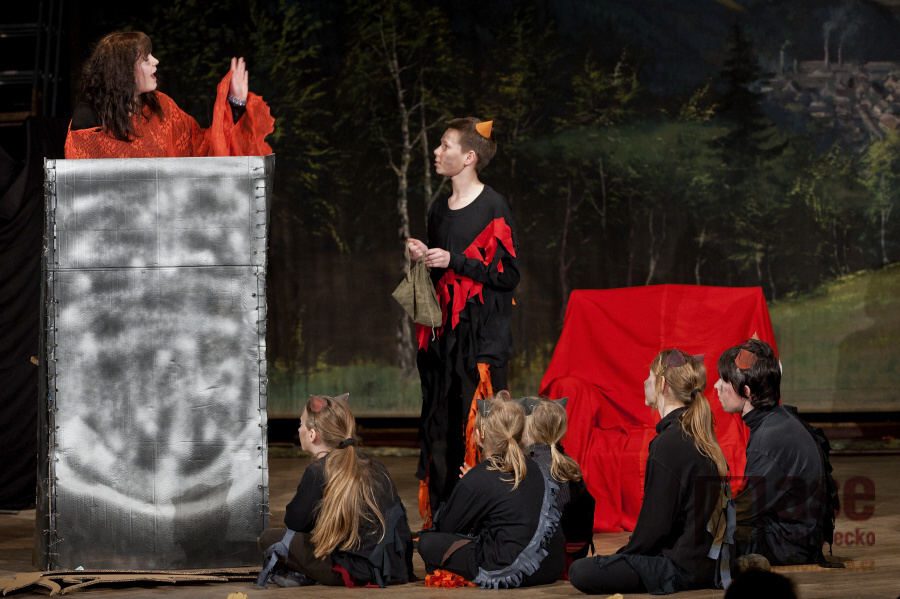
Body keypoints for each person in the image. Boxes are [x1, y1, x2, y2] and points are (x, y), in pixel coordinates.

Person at [406, 117, 519, 523]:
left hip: (480, 341)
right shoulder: (439, 208)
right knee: (441, 424)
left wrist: (455, 260)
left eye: (445, 145)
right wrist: (425, 256)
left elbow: (507, 275)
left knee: (479, 426)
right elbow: (441, 277)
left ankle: (483, 519)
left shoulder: (493, 207)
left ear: (469, 157)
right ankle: (444, 518)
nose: (437, 152)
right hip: (445, 340)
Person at [568, 349, 732, 595]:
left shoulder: (670, 443)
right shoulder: (697, 434)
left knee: (581, 571)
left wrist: (623, 559)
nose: (645, 382)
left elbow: (654, 530)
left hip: (684, 567)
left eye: (649, 376)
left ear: (662, 384)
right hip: (710, 561)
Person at [256, 394, 414, 588]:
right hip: (395, 569)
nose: (298, 429)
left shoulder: (318, 471)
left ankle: (305, 574)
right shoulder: (375, 466)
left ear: (312, 435)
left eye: (300, 424)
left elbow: (294, 522)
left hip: (358, 571)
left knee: (269, 539)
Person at [715, 338, 838, 567]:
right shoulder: (778, 419)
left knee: (702, 538)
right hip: (795, 533)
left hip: (789, 543)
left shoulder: (768, 438)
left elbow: (746, 509)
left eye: (724, 380)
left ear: (747, 392)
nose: (716, 386)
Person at [417, 398, 564, 589]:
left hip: (512, 572)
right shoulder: (538, 467)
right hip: (551, 567)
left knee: (428, 543)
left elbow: (448, 527)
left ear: (479, 435)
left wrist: (470, 490)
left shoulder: (480, 476)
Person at [65, 31, 274, 159]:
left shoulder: (161, 106)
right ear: (123, 71)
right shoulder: (89, 118)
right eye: (146, 59)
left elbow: (202, 147)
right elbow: (80, 184)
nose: (155, 61)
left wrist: (236, 103)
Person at [524, 397, 596, 576]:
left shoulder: (529, 465)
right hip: (576, 548)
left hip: (549, 552)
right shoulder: (569, 463)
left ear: (530, 430)